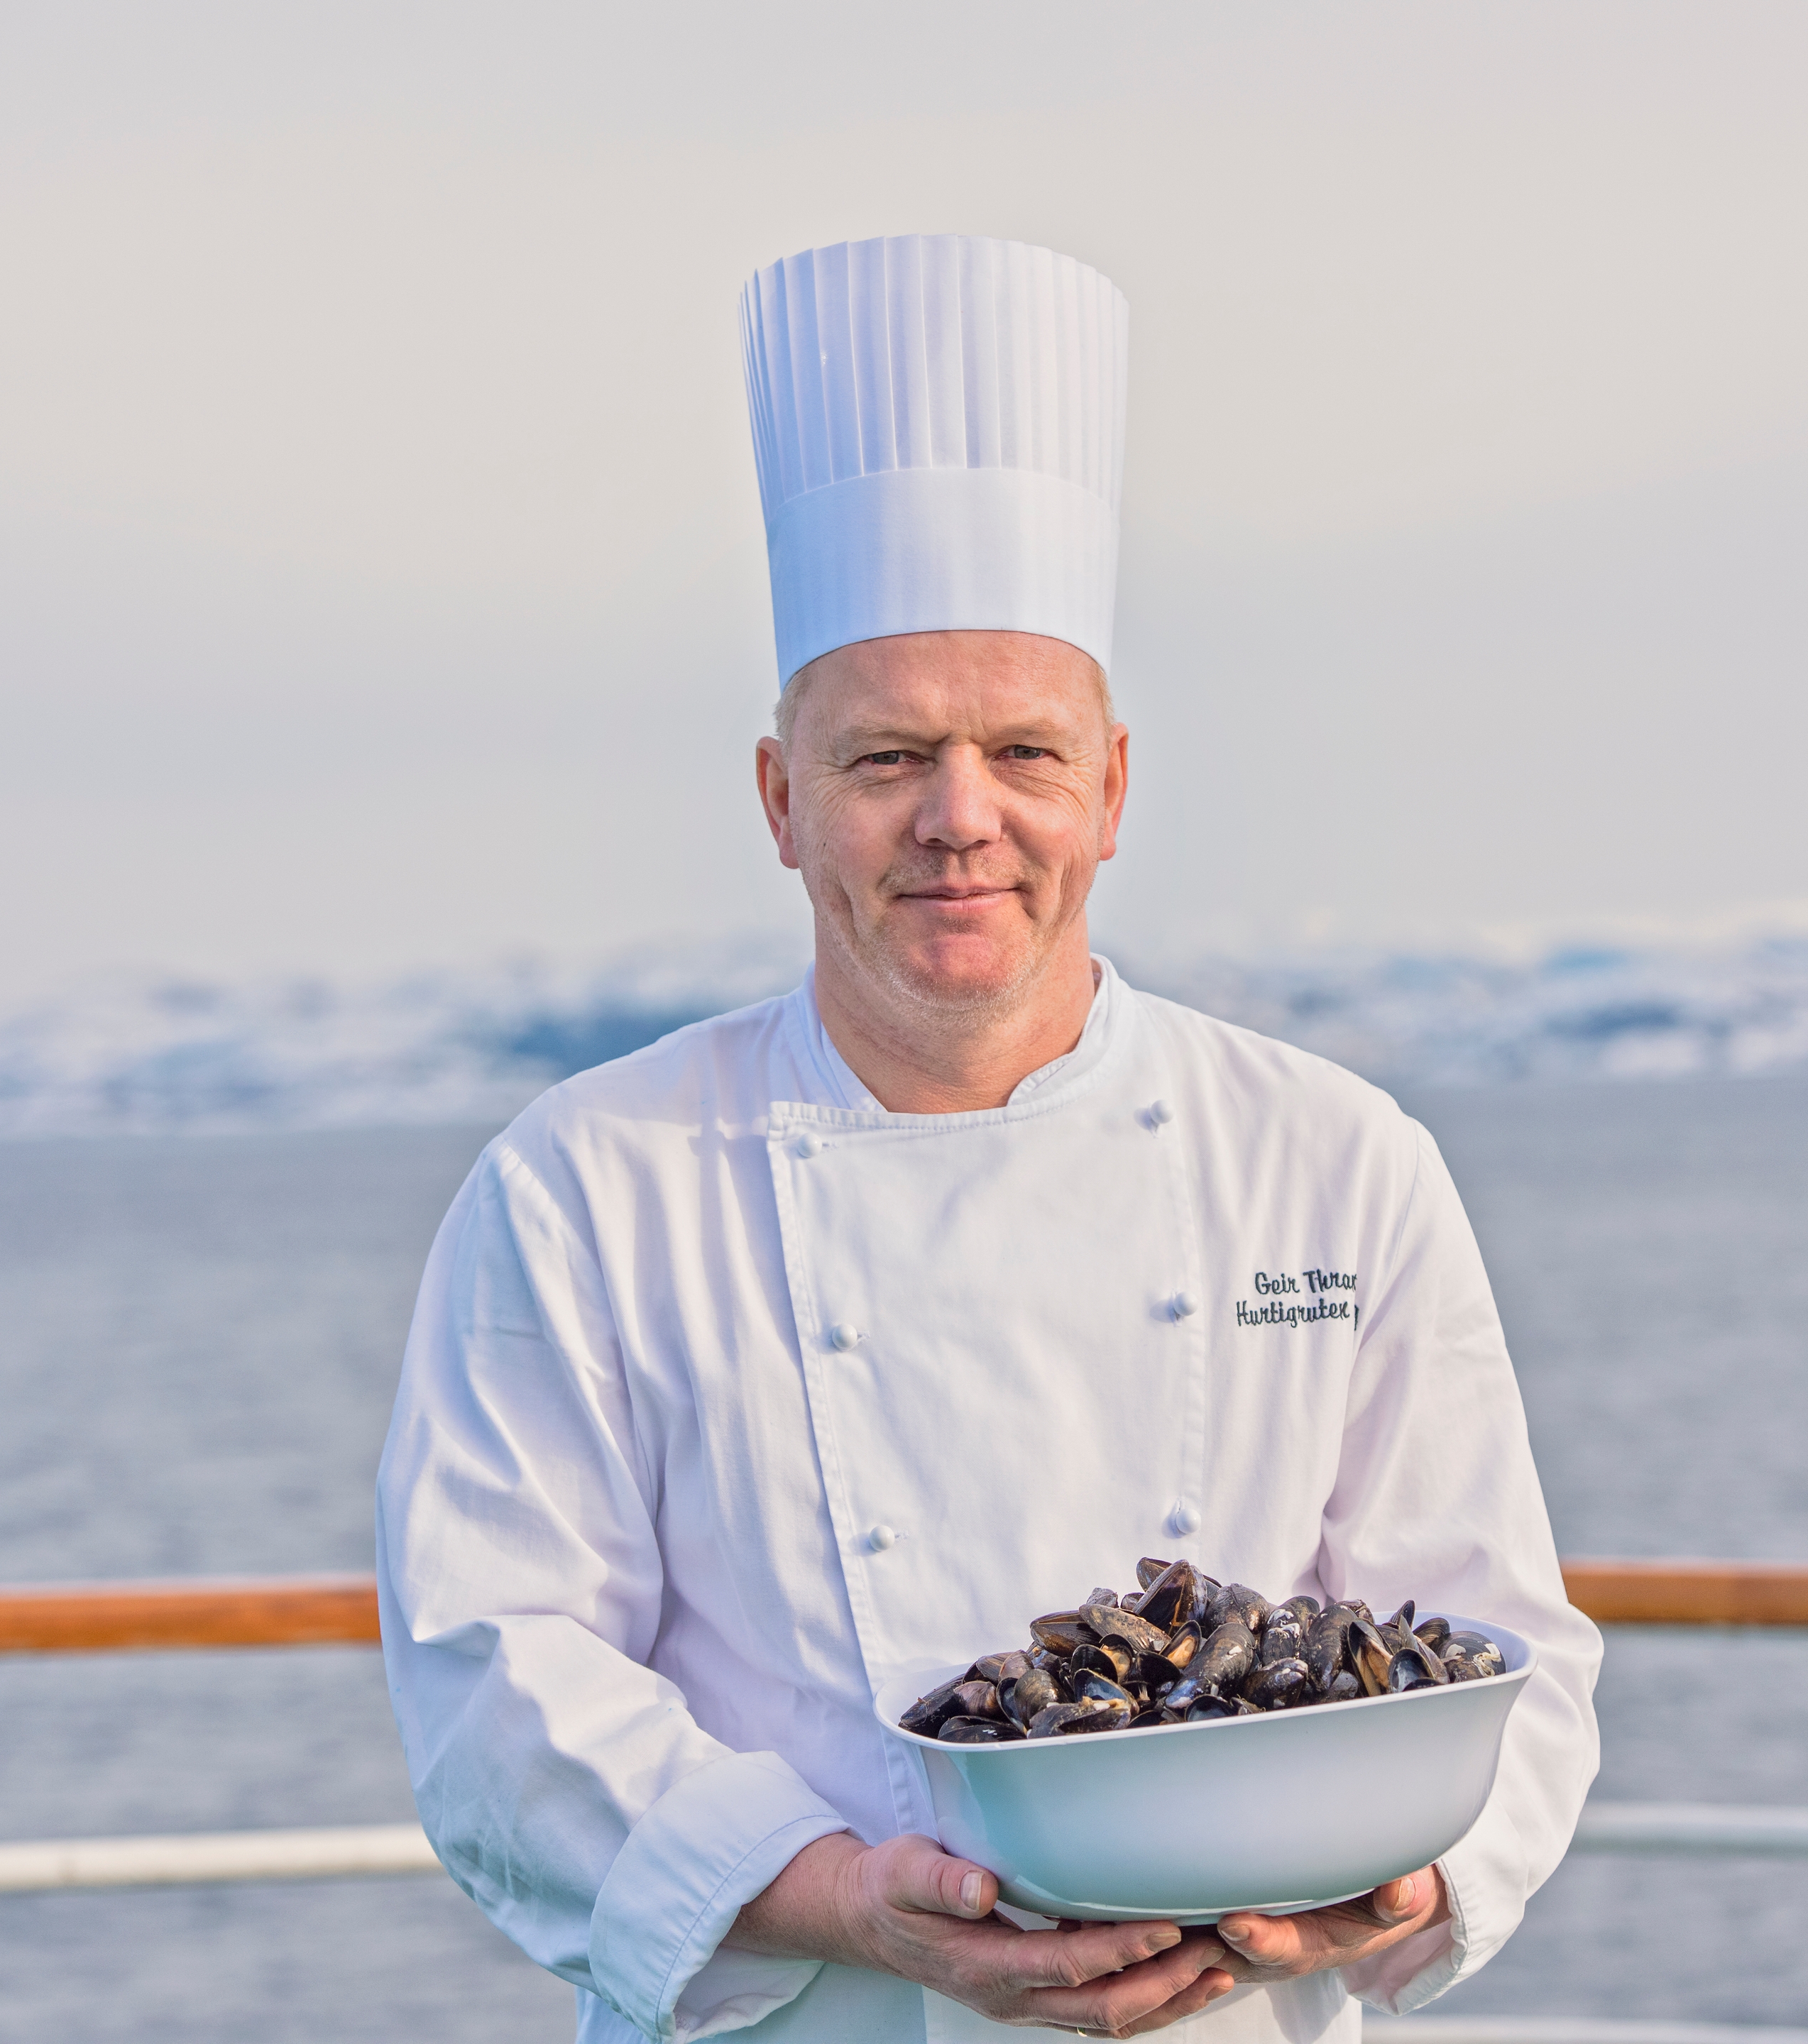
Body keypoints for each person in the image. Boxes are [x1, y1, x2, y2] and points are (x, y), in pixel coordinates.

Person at [376, 234, 1601, 2044]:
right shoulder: (585, 1186)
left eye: (1023, 755)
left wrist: (1395, 1876)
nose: (963, 821)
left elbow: (1500, 1647)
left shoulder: (1336, 1159)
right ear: (784, 801)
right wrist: (853, 1904)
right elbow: (500, 1685)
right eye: (886, 761)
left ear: (1110, 786)